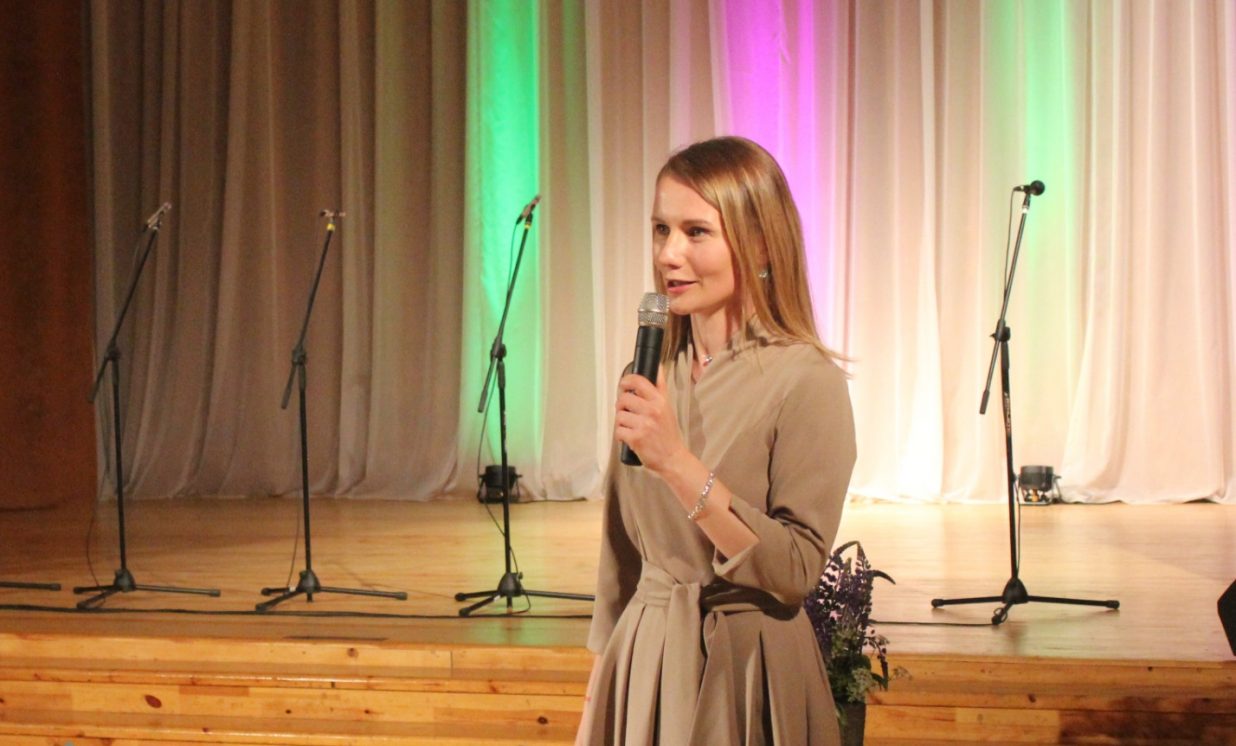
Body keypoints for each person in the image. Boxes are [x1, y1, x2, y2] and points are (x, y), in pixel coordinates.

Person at [577, 136, 857, 744]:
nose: (668, 254)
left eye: (696, 232)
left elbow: (796, 567)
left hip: (750, 667)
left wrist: (677, 463)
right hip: (647, 659)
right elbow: (621, 552)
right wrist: (602, 685)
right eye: (661, 229)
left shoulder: (806, 381)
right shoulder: (649, 373)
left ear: (759, 243)